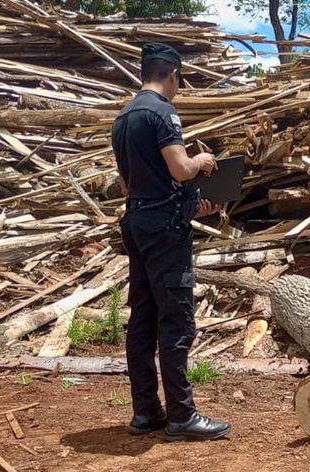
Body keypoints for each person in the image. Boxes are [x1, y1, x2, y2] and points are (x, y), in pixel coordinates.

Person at [111, 42, 231, 441]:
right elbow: (180, 169)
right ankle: (182, 415)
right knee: (176, 319)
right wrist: (203, 163)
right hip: (163, 231)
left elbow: (131, 186)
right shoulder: (162, 112)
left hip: (138, 222)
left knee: (142, 318)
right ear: (173, 75)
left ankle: (146, 412)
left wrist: (195, 208)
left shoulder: (123, 118)